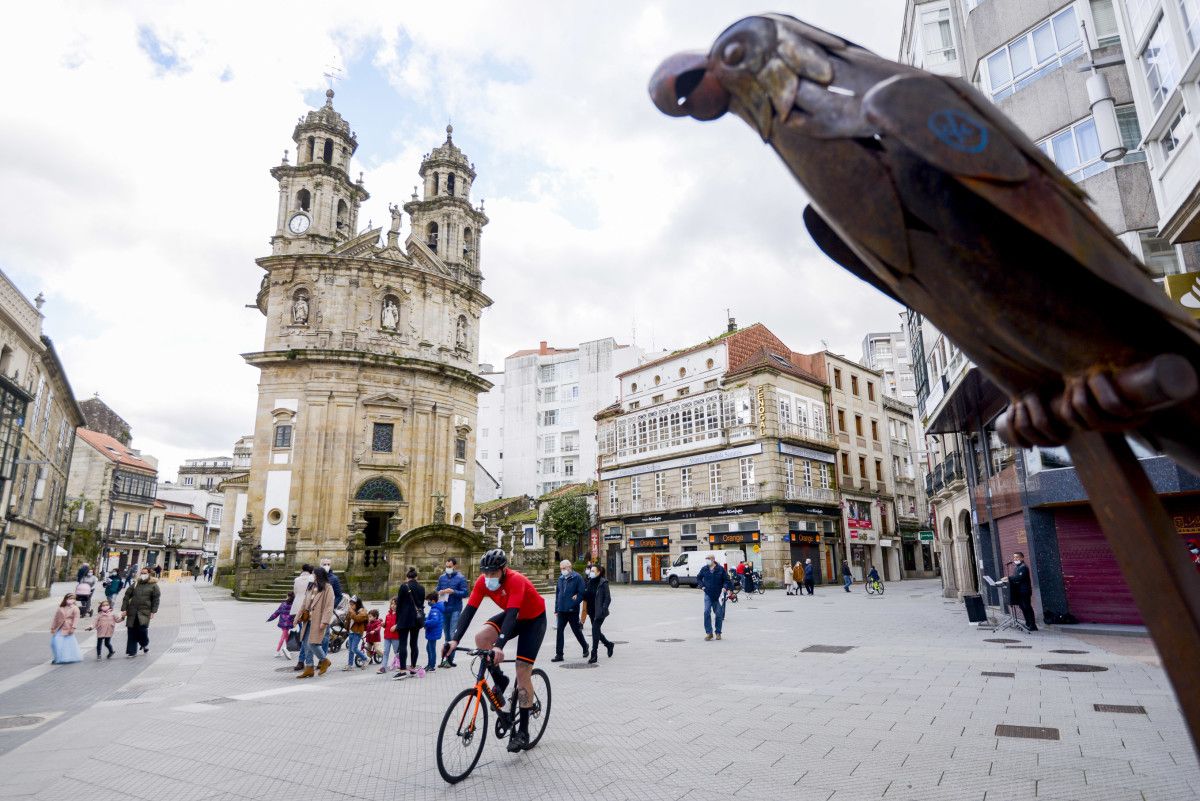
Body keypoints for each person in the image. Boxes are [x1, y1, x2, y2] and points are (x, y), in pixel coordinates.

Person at [443, 549, 548, 753]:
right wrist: (453, 640)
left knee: (522, 670)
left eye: (493, 573)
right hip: (513, 615)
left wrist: (499, 645)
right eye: (486, 573)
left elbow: (512, 614)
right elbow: (469, 611)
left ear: (503, 570)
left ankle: (523, 732)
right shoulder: (483, 582)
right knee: (481, 638)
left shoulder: (516, 580)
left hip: (533, 619)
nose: (489, 577)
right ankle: (500, 681)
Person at [296, 567, 334, 678]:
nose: (312, 576)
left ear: (319, 575)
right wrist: (297, 617)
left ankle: (324, 660)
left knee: (312, 644)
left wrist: (325, 621)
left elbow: (329, 607)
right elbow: (304, 604)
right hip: (308, 620)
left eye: (314, 574)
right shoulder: (311, 586)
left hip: (318, 621)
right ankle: (309, 668)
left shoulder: (328, 588)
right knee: (305, 644)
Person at [552, 560, 588, 662]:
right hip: (562, 610)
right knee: (559, 632)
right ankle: (559, 654)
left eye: (563, 568)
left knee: (576, 631)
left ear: (569, 567)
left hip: (572, 610)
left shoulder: (577, 578)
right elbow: (557, 595)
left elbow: (581, 593)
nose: (562, 570)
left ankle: (585, 646)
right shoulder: (560, 578)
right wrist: (556, 609)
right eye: (561, 569)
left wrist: (574, 602)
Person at [436, 557, 469, 668]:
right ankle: (446, 659)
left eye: (449, 567)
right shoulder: (442, 578)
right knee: (446, 635)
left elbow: (465, 593)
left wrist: (453, 591)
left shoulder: (461, 578)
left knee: (452, 634)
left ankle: (450, 660)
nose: (448, 568)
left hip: (455, 608)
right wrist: (439, 592)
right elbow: (437, 590)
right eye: (446, 566)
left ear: (454, 566)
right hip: (444, 608)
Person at [121, 567, 160, 657]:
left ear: (149, 574)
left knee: (142, 629)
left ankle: (144, 643)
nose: (143, 575)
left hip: (144, 612)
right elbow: (127, 596)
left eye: (145, 573)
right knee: (131, 630)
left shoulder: (154, 585)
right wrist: (124, 609)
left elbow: (156, 600)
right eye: (142, 573)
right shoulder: (135, 584)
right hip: (132, 611)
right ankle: (131, 651)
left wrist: (153, 611)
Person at [393, 568, 425, 678]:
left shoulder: (404, 586)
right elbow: (421, 604)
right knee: (414, 643)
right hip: (416, 619)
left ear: (407, 577)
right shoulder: (421, 588)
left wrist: (397, 622)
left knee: (403, 644)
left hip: (404, 619)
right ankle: (412, 667)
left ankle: (402, 670)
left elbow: (399, 605)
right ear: (416, 577)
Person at [697, 554, 732, 641]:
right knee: (706, 612)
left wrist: (725, 587)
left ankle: (718, 633)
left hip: (718, 594)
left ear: (713, 559)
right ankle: (709, 633)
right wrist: (702, 586)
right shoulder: (704, 568)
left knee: (719, 614)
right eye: (706, 559)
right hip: (708, 593)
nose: (707, 560)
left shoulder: (720, 569)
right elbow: (698, 578)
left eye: (708, 559)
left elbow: (727, 580)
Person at [1001, 551, 1038, 631]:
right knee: (1023, 607)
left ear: (1022, 558)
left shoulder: (1023, 567)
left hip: (1025, 590)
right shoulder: (1018, 567)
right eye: (1014, 557)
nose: (1015, 559)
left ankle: (1033, 625)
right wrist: (1009, 578)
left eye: (1017, 557)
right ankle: (1028, 623)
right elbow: (1015, 577)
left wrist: (1008, 578)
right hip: (1019, 591)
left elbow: (1019, 577)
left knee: (1027, 607)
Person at [586, 565, 614, 664]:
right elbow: (587, 596)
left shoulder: (603, 583)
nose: (591, 572)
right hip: (591, 611)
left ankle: (594, 654)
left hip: (599, 612)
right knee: (596, 631)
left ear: (598, 572)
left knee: (594, 630)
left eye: (593, 571)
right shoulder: (589, 582)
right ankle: (608, 644)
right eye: (591, 571)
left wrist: (603, 609)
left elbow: (608, 598)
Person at [290, 564, 314, 672]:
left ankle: (303, 660)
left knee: (303, 634)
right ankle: (302, 660)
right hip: (306, 610)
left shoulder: (297, 579)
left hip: (296, 608)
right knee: (305, 637)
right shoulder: (312, 578)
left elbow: (295, 592)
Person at [50, 594, 82, 664]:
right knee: (55, 643)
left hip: (68, 627)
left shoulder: (75, 608)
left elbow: (76, 618)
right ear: (66, 599)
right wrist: (53, 627)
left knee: (66, 644)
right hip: (59, 627)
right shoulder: (61, 607)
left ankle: (63, 658)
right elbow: (56, 618)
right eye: (70, 598)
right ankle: (57, 657)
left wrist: (73, 628)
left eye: (73, 598)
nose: (71, 600)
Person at [343, 596, 369, 671]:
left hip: (357, 632)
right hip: (351, 632)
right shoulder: (352, 611)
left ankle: (366, 658)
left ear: (357, 604)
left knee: (354, 648)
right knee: (350, 650)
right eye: (350, 604)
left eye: (352, 604)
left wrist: (351, 612)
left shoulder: (363, 611)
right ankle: (349, 665)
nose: (351, 606)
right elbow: (348, 620)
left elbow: (358, 619)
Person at [267, 592, 295, 658]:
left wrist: (270, 618)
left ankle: (278, 651)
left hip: (282, 623)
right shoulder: (293, 605)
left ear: (288, 596)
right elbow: (296, 615)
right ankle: (288, 648)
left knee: (284, 636)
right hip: (288, 623)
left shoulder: (283, 604)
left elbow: (277, 612)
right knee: (285, 636)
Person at [423, 591, 444, 675]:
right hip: (433, 632)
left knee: (431, 649)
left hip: (433, 632)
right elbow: (431, 618)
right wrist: (425, 619)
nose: (428, 602)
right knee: (429, 648)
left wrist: (425, 623)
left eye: (429, 601)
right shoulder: (435, 608)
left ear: (433, 601)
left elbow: (434, 621)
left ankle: (432, 666)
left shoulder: (435, 609)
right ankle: (429, 664)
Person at [379, 598, 400, 674]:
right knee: (385, 652)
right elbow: (387, 625)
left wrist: (396, 626)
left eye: (395, 604)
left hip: (396, 637)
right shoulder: (388, 614)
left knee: (396, 652)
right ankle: (383, 667)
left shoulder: (400, 614)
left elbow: (402, 624)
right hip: (387, 636)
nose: (393, 606)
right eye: (392, 604)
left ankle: (399, 665)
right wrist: (383, 624)